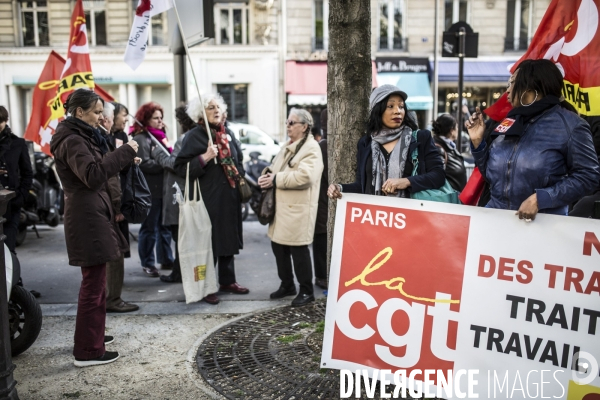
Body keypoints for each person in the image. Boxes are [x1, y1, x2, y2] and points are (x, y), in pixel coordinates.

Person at [50, 89, 138, 367]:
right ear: (79, 112)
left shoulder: (79, 135)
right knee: (93, 284)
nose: (102, 117)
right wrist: (124, 152)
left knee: (96, 283)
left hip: (92, 211)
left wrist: (121, 156)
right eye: (98, 112)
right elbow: (93, 175)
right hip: (87, 215)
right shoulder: (71, 139)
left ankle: (93, 337)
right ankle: (88, 351)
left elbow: (97, 168)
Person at [466, 59, 600, 221]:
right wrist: (477, 143)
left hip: (543, 227)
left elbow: (589, 176)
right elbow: (492, 176)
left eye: (512, 83)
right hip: (497, 222)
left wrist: (541, 199)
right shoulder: (509, 122)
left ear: (529, 88)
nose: (507, 90)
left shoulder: (571, 125)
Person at [174, 94, 250, 305]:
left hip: (229, 196)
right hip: (208, 198)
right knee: (209, 244)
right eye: (210, 108)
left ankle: (228, 281)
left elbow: (239, 160)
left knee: (227, 240)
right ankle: (206, 286)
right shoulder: (194, 136)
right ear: (200, 113)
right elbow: (180, 167)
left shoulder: (228, 133)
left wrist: (239, 177)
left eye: (218, 107)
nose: (216, 110)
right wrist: (205, 157)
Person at [327, 84, 445, 200]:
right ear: (378, 110)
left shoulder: (420, 138)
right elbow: (362, 186)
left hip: (411, 215)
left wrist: (406, 182)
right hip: (378, 216)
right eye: (390, 106)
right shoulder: (366, 143)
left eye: (401, 106)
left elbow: (438, 176)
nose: (397, 111)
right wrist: (340, 188)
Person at [258, 108, 324, 307]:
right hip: (282, 210)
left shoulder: (312, 148)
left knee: (299, 250)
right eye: (287, 122)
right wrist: (267, 175)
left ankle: (306, 291)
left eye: (292, 123)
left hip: (298, 210)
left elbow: (306, 177)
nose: (287, 126)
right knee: (278, 247)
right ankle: (287, 285)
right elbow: (276, 169)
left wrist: (275, 179)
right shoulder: (289, 145)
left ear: (304, 127)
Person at [100, 102, 139, 313]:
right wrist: (116, 207)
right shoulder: (98, 139)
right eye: (98, 113)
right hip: (105, 206)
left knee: (113, 252)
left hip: (104, 204)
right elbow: (110, 176)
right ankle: (111, 299)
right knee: (114, 254)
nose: (103, 119)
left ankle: (108, 299)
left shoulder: (98, 138)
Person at [153, 104, 197, 283]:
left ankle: (179, 273)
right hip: (189, 193)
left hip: (179, 193)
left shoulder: (185, 138)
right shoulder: (198, 137)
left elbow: (175, 164)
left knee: (180, 237)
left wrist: (158, 153)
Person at [130, 102, 175, 277]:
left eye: (161, 118)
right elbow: (144, 163)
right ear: (146, 119)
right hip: (150, 190)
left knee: (164, 227)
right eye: (155, 118)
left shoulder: (160, 136)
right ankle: (148, 263)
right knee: (148, 228)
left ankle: (165, 258)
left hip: (164, 189)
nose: (160, 121)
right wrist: (165, 164)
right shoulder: (141, 138)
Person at [0, 105, 33, 255]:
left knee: (8, 248)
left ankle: (13, 278)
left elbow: (27, 173)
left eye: (0, 121)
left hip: (10, 204)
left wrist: (20, 197)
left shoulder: (17, 143)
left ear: (5, 121)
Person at [313, 109, 328, 290]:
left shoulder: (322, 145)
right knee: (321, 238)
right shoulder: (323, 146)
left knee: (321, 238)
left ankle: (322, 275)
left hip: (322, 198)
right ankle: (321, 275)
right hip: (322, 199)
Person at [432, 114, 467, 192]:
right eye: (457, 127)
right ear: (452, 131)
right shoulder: (438, 149)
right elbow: (436, 177)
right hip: (447, 200)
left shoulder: (449, 147)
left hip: (454, 198)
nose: (458, 130)